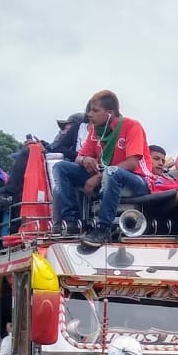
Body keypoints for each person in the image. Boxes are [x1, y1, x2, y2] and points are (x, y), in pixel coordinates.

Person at [52, 90, 155, 247]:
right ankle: (73, 223)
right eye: (90, 110)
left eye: (95, 110)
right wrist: (85, 159)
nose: (89, 114)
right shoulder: (95, 130)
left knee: (111, 172)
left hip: (137, 180)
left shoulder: (132, 126)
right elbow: (80, 156)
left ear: (110, 113)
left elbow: (132, 163)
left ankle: (103, 229)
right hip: (107, 175)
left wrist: (98, 176)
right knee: (61, 167)